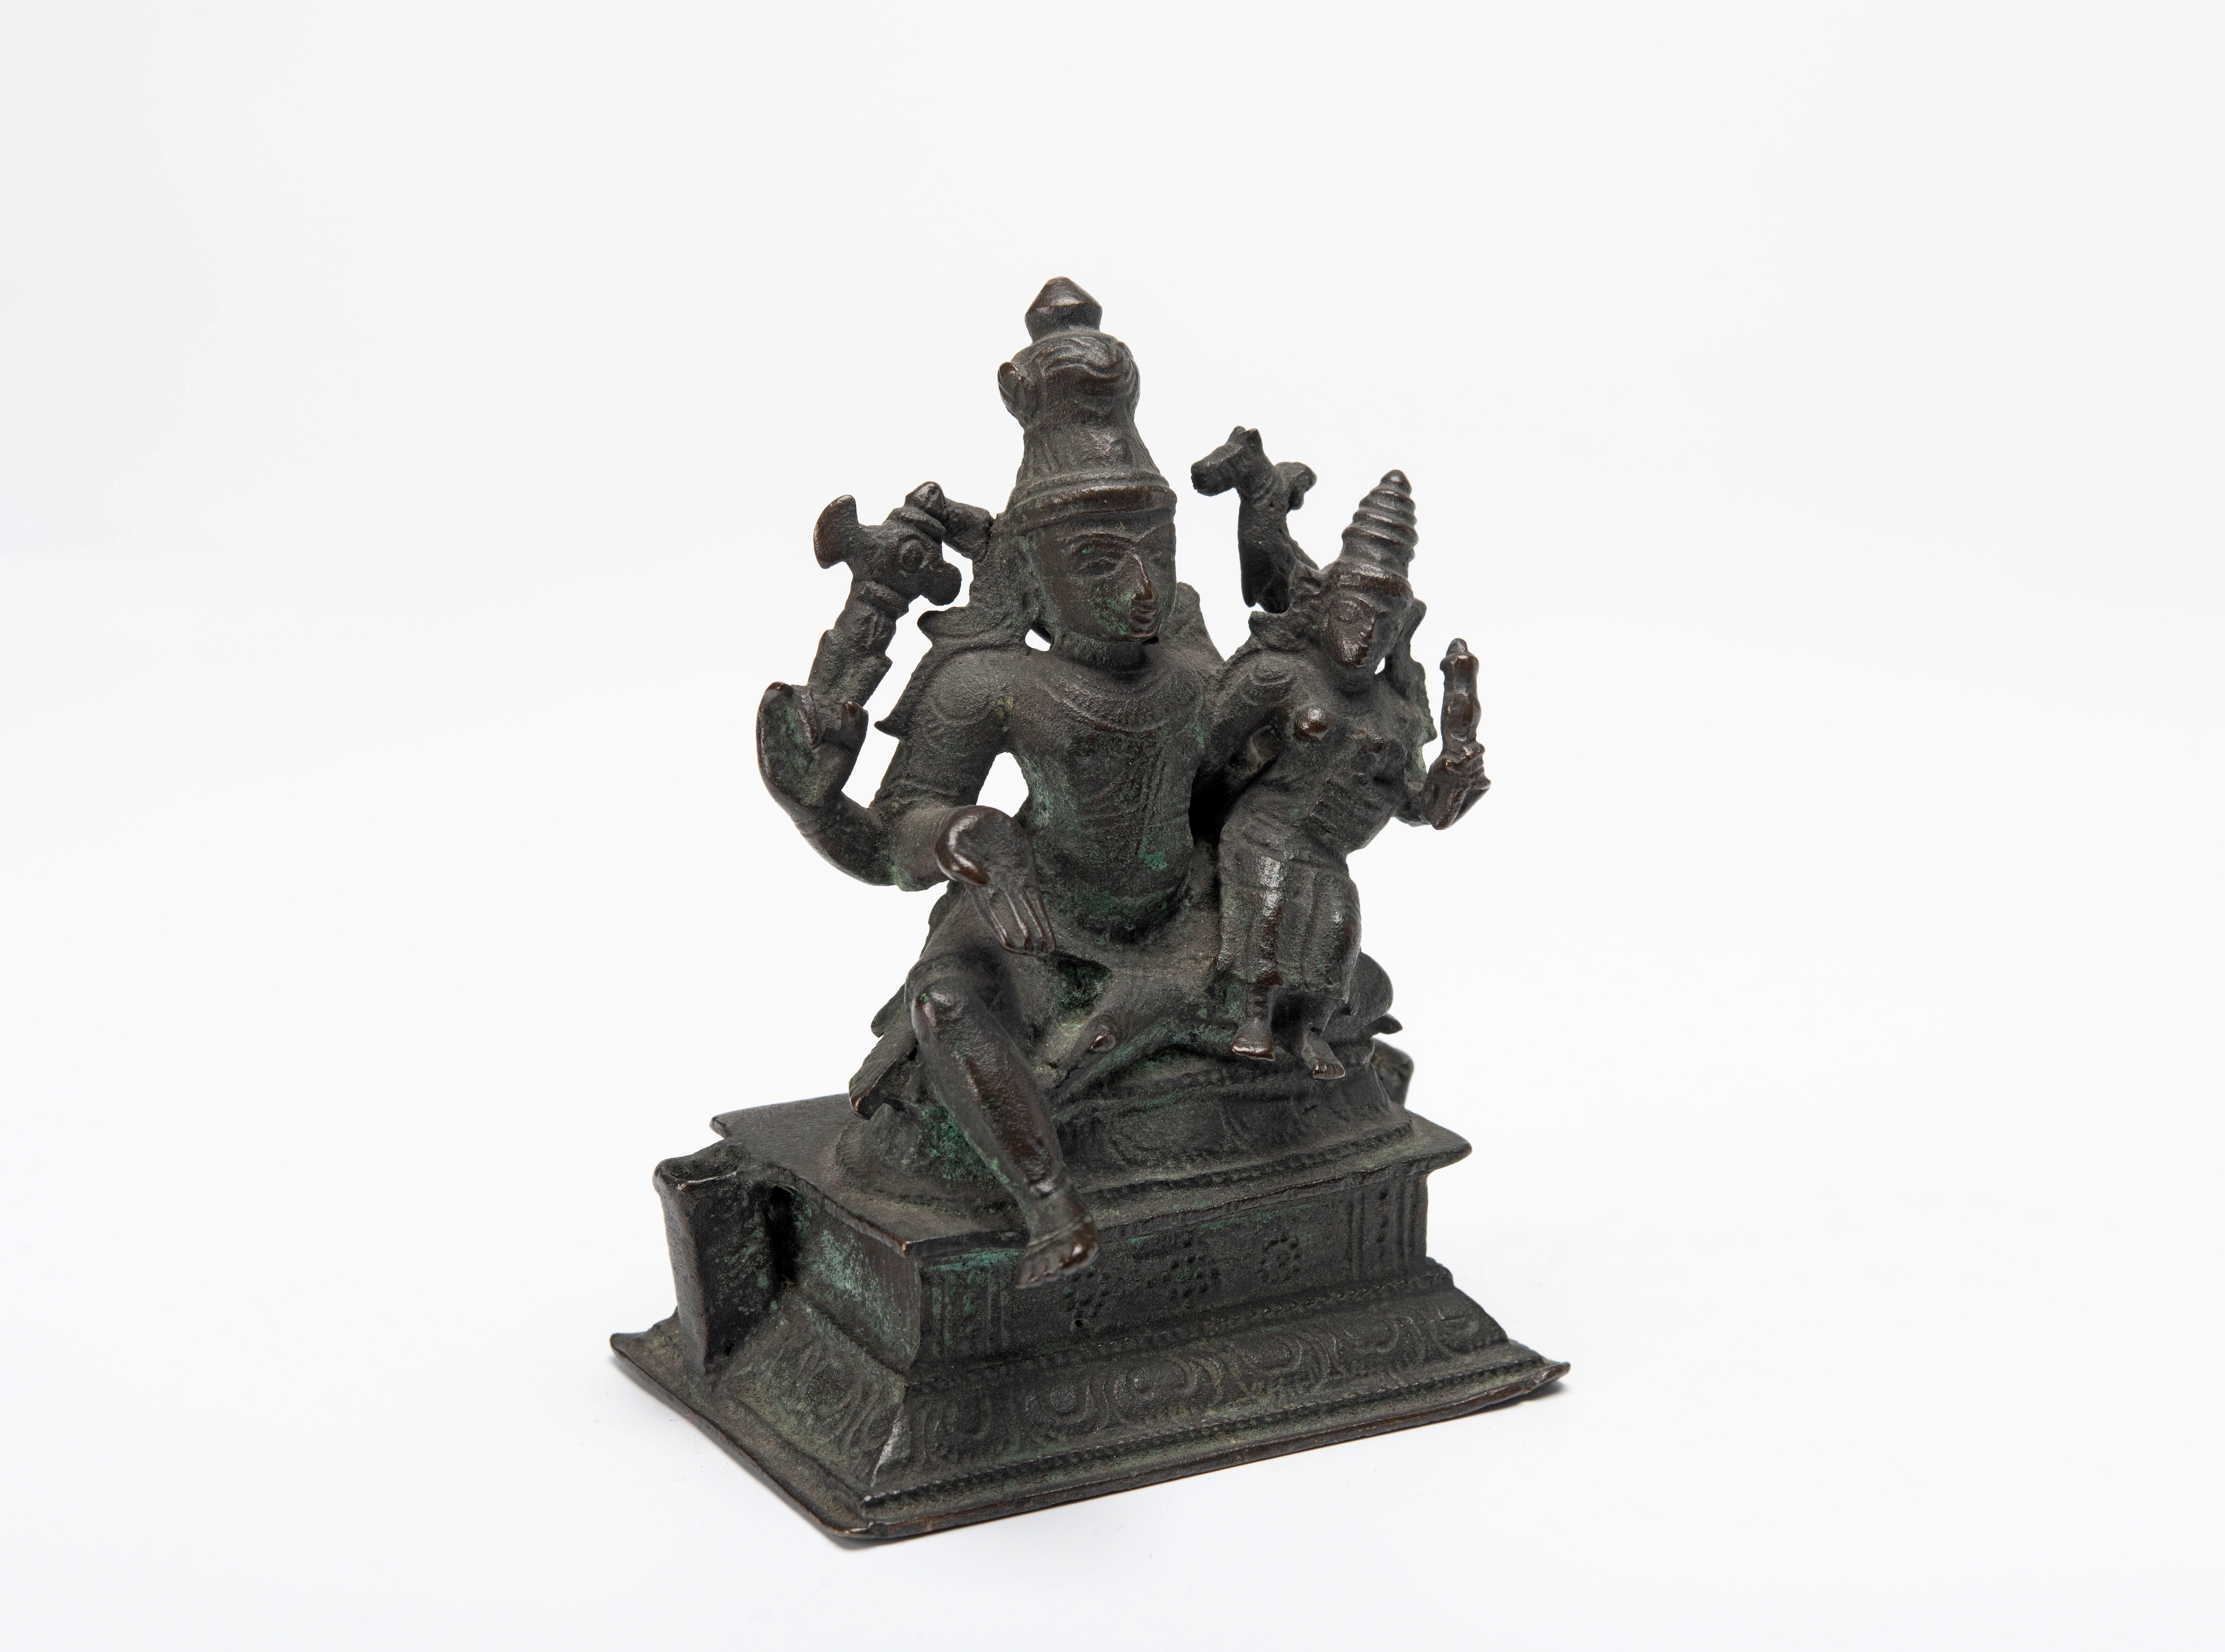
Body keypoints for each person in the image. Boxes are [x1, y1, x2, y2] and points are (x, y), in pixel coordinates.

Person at [1202, 471, 1491, 1077]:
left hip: (1328, 852)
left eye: (1382, 628)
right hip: (1265, 828)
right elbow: (1205, 746)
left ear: (1399, 632)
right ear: (1325, 606)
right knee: (1271, 905)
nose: (1364, 638)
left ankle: (1311, 1028)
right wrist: (1258, 751)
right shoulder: (1279, 675)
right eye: (1354, 616)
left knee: (1337, 927)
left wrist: (1452, 777)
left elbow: (1418, 808)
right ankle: (1254, 1015)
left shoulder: (1396, 713)